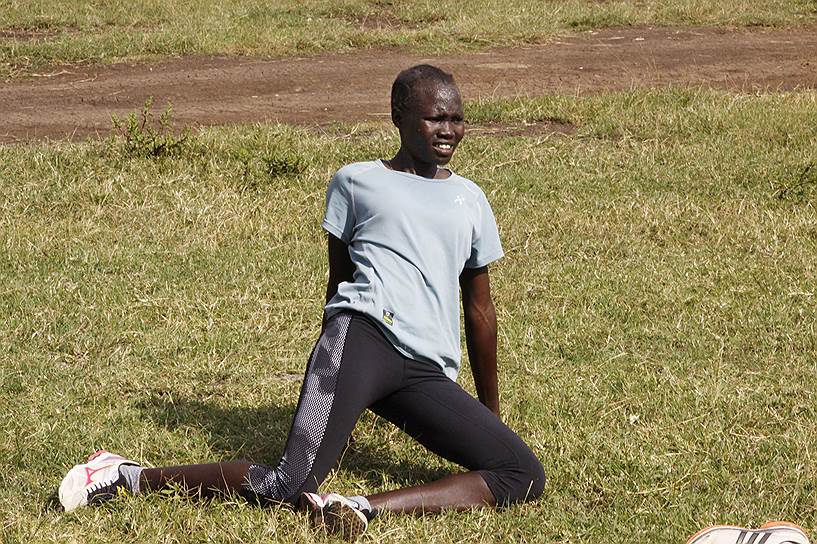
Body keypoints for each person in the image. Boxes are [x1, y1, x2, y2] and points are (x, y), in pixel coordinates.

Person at [58, 64, 545, 540]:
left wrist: (490, 413)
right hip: (362, 339)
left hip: (424, 368)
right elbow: (339, 285)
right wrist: (336, 394)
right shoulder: (357, 182)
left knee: (521, 473)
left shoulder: (471, 199)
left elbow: (479, 309)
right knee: (287, 484)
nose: (449, 129)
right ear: (398, 115)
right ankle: (127, 475)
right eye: (435, 118)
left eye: (457, 118)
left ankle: (359, 508)